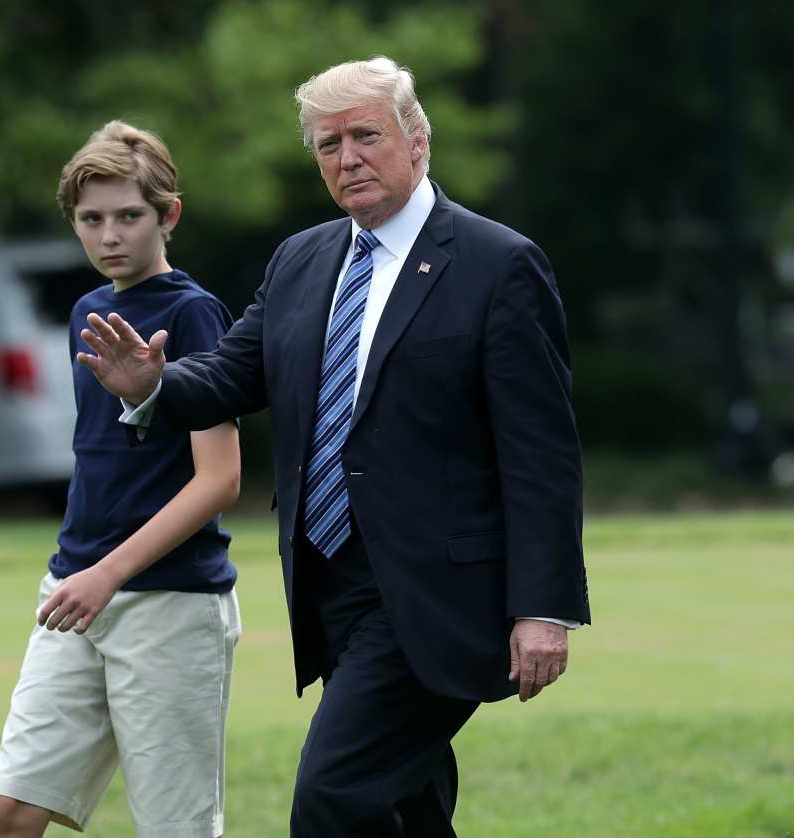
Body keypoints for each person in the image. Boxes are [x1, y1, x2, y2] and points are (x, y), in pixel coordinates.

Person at [77, 56, 590, 837]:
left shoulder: (498, 264)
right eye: (326, 145)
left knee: (333, 801)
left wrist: (544, 608)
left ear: (418, 141)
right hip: (331, 584)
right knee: (407, 808)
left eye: (364, 136)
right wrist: (148, 385)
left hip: (442, 593)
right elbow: (229, 375)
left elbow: (541, 452)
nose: (346, 158)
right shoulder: (303, 260)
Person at [0, 121, 242, 838]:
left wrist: (109, 573)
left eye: (129, 215)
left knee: (173, 830)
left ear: (169, 215)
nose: (110, 236)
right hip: (72, 591)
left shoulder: (193, 314)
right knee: (10, 813)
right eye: (90, 220)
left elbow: (219, 479)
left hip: (170, 604)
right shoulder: (87, 313)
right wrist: (87, 574)